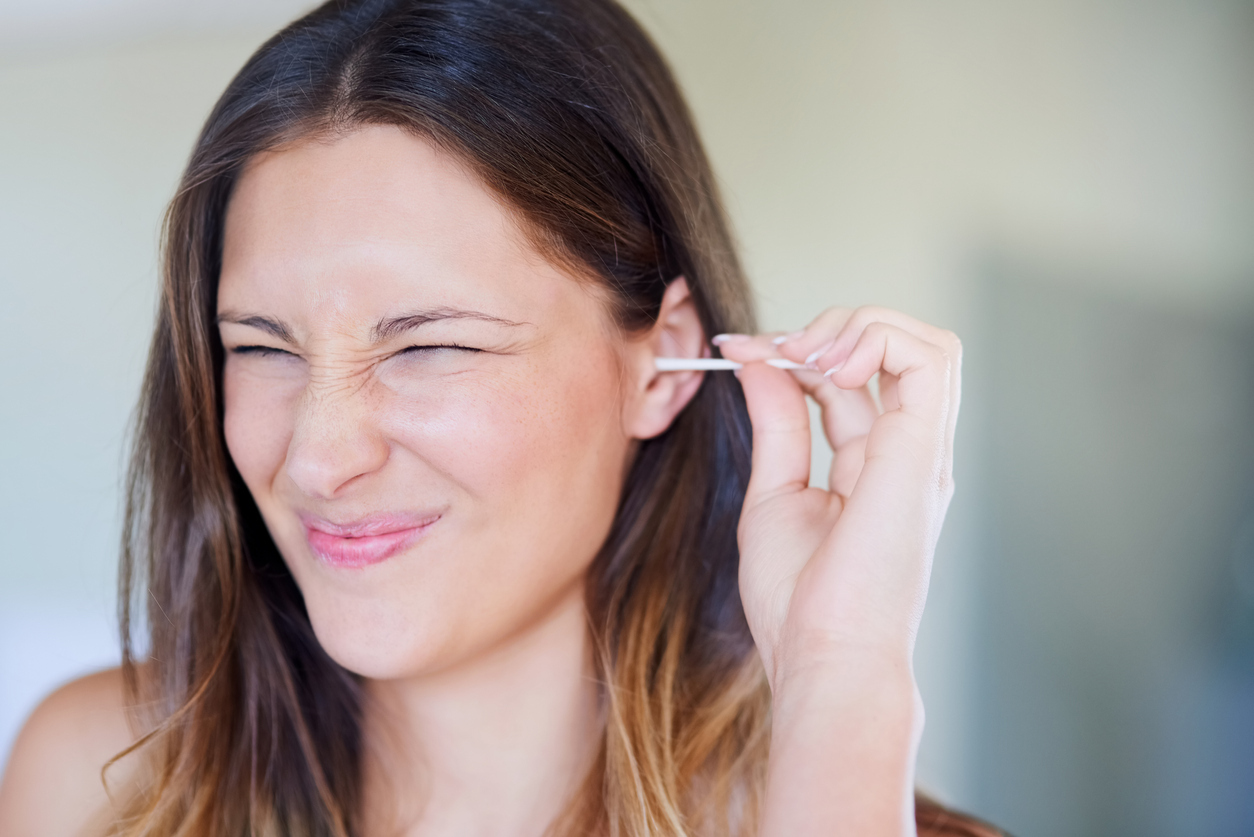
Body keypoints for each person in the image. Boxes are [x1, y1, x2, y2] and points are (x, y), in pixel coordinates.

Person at [0, 0, 1000, 834]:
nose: (317, 457)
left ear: (661, 365)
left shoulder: (851, 804)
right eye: (262, 347)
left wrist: (843, 683)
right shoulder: (102, 782)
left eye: (431, 344)